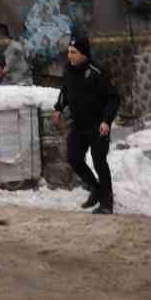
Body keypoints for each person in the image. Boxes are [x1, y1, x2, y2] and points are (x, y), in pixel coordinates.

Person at [53, 34, 121, 214]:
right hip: (79, 124)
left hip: (98, 125)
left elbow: (113, 98)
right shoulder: (69, 70)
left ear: (83, 54)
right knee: (74, 158)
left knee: (99, 161)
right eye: (69, 52)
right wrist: (59, 108)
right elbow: (65, 91)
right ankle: (96, 189)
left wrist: (107, 121)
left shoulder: (97, 72)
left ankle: (107, 202)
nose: (70, 56)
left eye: (73, 52)